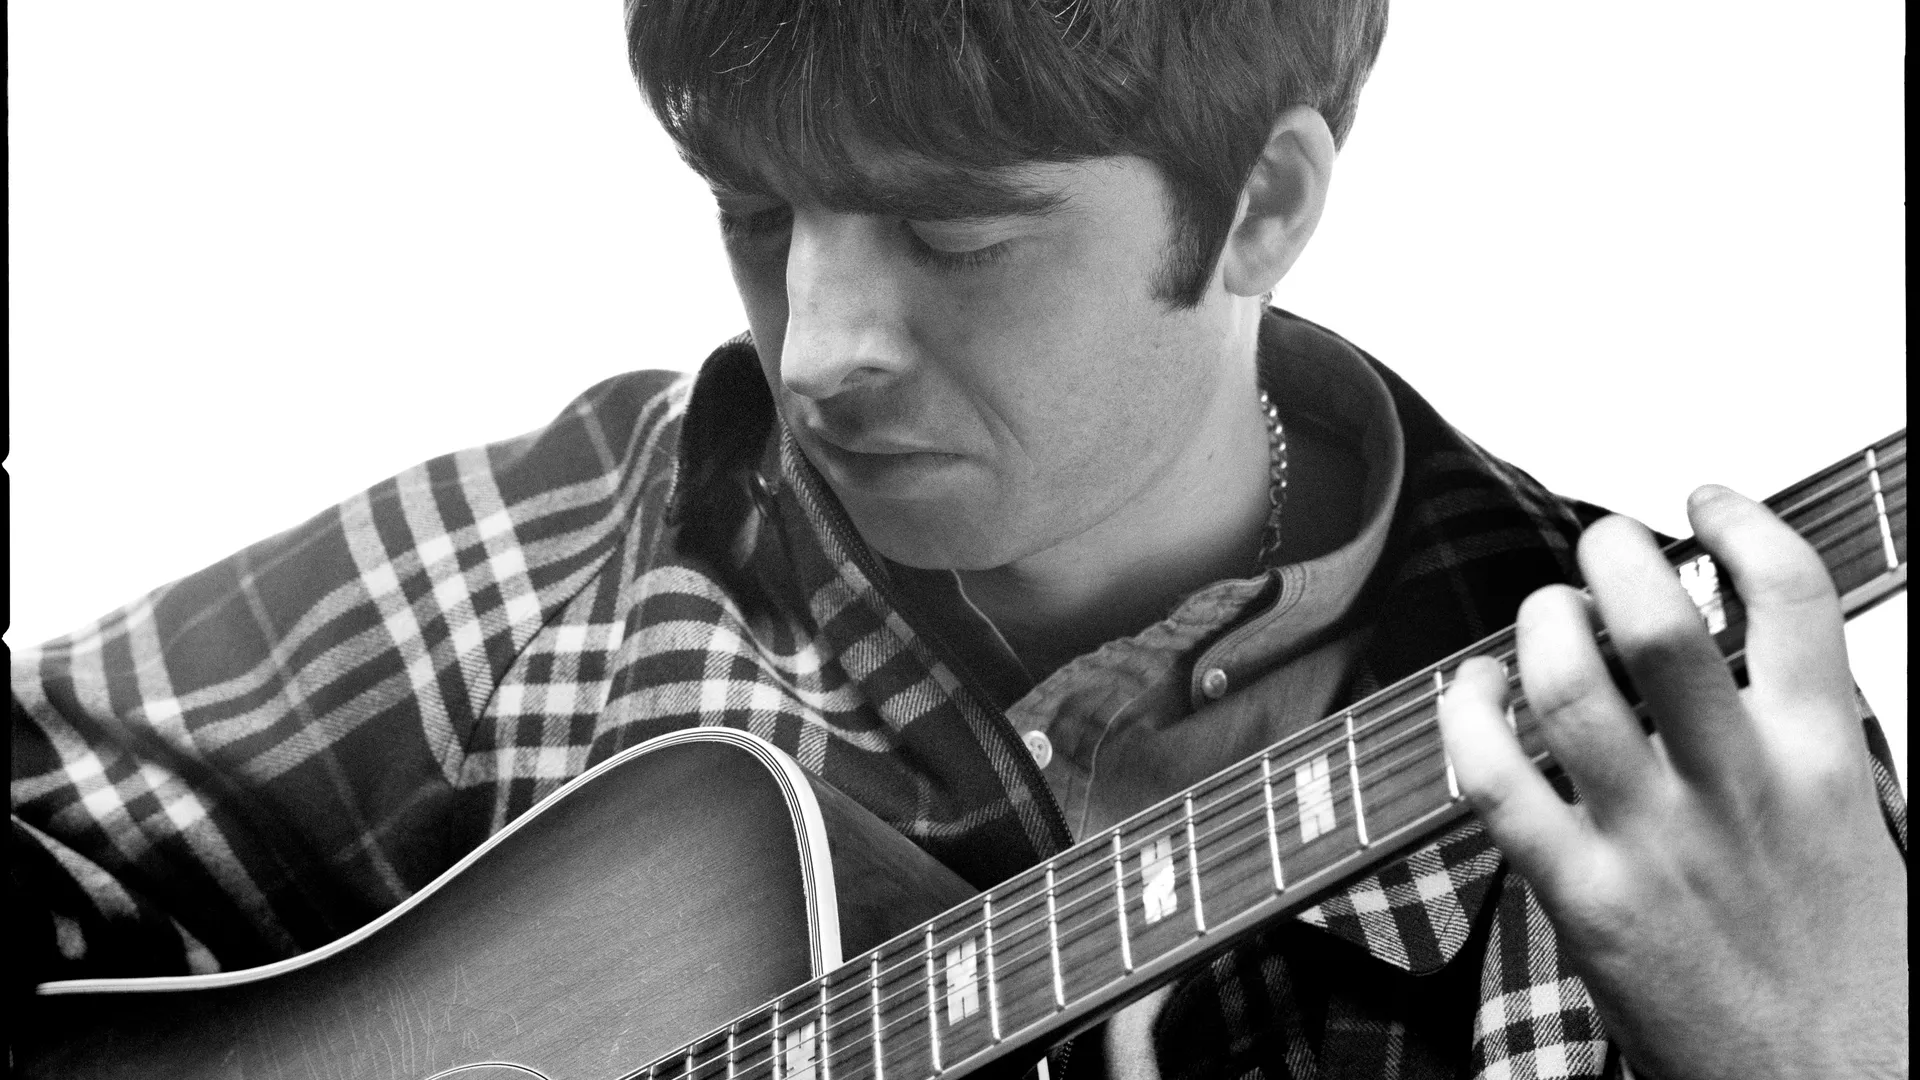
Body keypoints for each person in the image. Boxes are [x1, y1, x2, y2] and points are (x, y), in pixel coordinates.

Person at [9, 3, 1906, 1078]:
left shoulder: (1698, 768)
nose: (816, 351)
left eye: (955, 238)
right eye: (760, 216)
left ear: (1262, 205)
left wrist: (1830, 1054)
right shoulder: (593, 544)